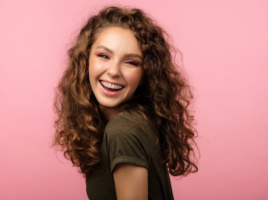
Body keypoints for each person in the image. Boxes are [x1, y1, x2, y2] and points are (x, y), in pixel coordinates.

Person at [53, 6, 198, 200]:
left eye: (131, 62)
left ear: (146, 74)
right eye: (104, 56)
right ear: (85, 59)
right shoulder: (135, 122)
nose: (113, 71)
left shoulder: (123, 130)